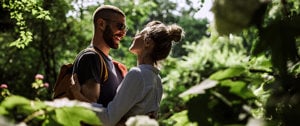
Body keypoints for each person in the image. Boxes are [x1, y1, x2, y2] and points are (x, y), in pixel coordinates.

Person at [92, 20, 185, 126]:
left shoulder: (137, 74)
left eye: (140, 34)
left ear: (147, 43)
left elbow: (107, 119)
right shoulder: (157, 80)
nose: (134, 37)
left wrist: (78, 98)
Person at [73, 5, 128, 107]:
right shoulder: (90, 58)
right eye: (120, 26)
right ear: (101, 24)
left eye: (125, 28)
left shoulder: (115, 65)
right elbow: (91, 114)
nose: (123, 33)